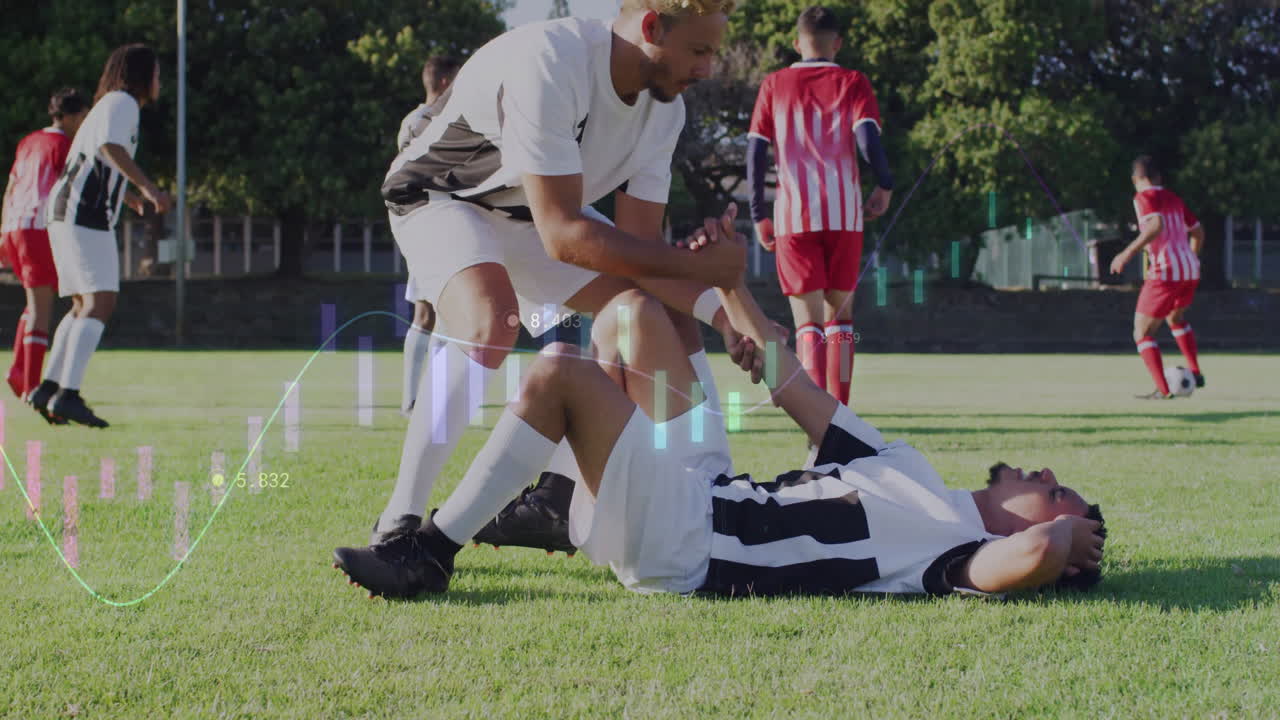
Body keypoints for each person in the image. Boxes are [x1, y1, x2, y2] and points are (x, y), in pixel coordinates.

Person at [333, 226, 1107, 600]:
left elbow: (1028, 559)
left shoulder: (951, 547)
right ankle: (569, 500)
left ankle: (428, 553)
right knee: (635, 313)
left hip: (691, 542)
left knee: (559, 373)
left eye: (1057, 487)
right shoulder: (909, 467)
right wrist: (728, 279)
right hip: (710, 487)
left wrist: (1069, 540)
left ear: (1049, 528)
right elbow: (786, 377)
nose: (1041, 472)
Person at [358, 0, 756, 550]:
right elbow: (564, 235)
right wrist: (701, 272)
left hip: (531, 213)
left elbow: (640, 253)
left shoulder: (666, 112)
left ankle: (557, 498)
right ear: (650, 28)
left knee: (643, 312)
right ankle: (399, 518)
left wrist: (727, 317)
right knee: (493, 322)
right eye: (699, 50)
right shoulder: (552, 62)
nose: (709, 68)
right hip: (440, 195)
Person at [747, 6, 894, 407]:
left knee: (808, 323)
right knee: (841, 321)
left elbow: (756, 153)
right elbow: (867, 140)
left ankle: (818, 421)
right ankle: (841, 411)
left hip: (794, 217)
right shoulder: (853, 81)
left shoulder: (775, 84)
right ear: (838, 43)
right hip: (845, 215)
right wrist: (884, 183)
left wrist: (759, 213)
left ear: (797, 43)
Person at [28, 44, 171, 428]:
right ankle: (68, 396)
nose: (160, 82)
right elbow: (109, 149)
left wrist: (126, 198)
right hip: (82, 212)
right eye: (156, 74)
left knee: (81, 304)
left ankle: (49, 388)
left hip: (65, 210)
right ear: (142, 75)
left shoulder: (107, 105)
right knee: (101, 300)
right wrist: (149, 190)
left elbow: (93, 159)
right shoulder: (123, 103)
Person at [1, 88, 89, 417]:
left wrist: (2, 232)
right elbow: (79, 184)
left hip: (14, 225)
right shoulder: (64, 145)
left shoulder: (28, 142)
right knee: (43, 309)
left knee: (33, 303)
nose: (83, 124)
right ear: (67, 116)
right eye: (81, 117)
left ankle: (18, 371)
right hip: (39, 229)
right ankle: (32, 388)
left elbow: (11, 187)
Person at [397, 54, 463, 418]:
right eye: (455, 82)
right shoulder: (419, 122)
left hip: (450, 226)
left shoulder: (445, 120)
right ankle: (410, 401)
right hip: (428, 225)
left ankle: (431, 400)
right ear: (441, 84)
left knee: (447, 314)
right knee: (425, 313)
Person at [1109, 156, 1205, 399]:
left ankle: (1163, 391)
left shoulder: (1143, 198)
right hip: (1189, 269)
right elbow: (1198, 232)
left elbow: (1154, 226)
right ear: (1159, 177)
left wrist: (1126, 253)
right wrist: (1189, 259)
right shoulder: (1174, 198)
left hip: (1166, 270)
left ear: (1135, 179)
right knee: (1175, 317)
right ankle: (1195, 371)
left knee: (1141, 333)